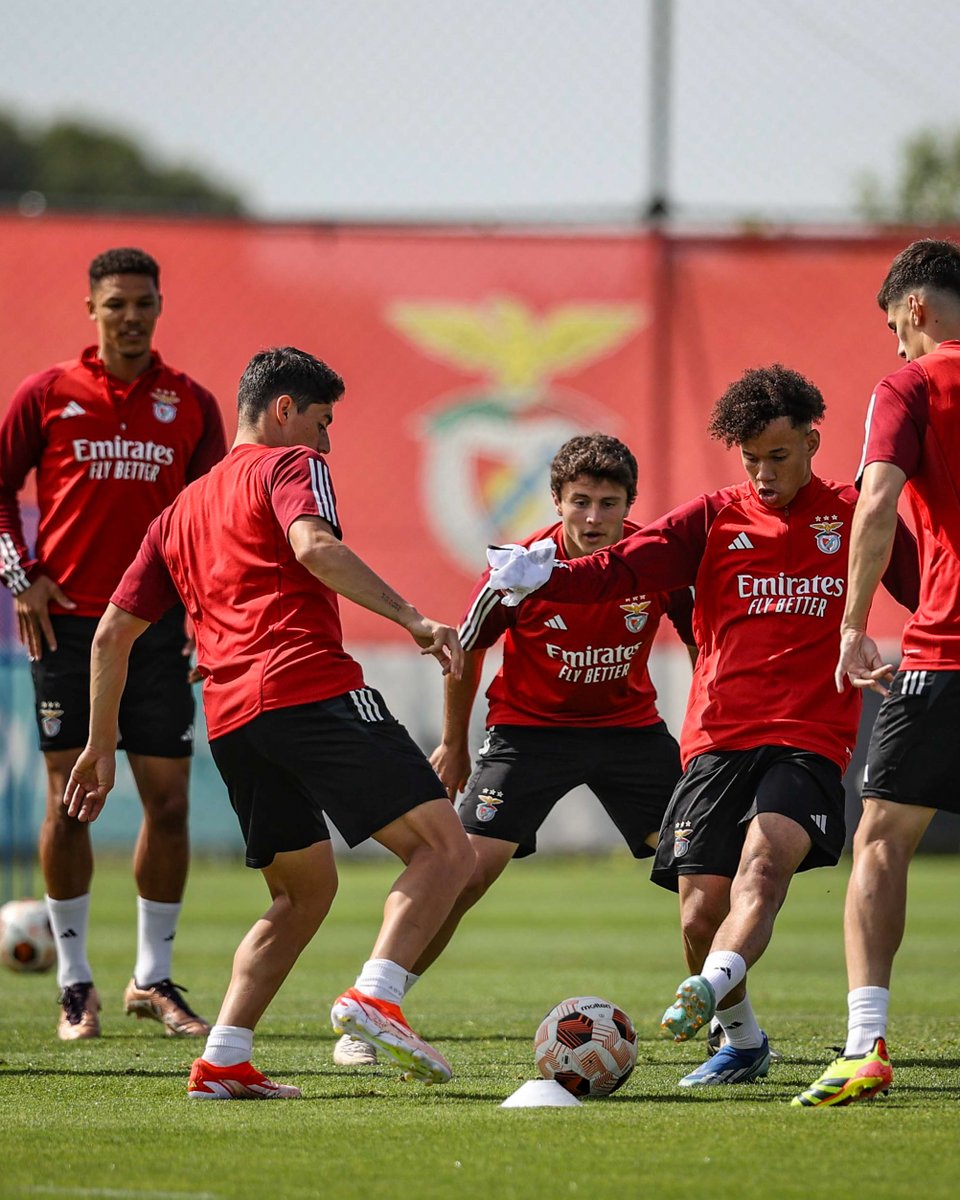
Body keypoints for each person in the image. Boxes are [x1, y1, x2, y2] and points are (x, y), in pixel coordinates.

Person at [487, 364, 919, 1088]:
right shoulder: (714, 516)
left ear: (813, 441)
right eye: (750, 459)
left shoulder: (854, 512)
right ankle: (743, 1039)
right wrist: (544, 576)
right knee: (698, 914)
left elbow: (930, 583)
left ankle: (707, 988)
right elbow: (621, 567)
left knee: (765, 863)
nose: (763, 473)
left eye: (778, 457)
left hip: (809, 735)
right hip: (718, 736)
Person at [64, 345, 475, 1100]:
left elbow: (110, 635)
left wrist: (98, 745)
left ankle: (222, 1056)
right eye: (321, 423)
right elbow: (313, 546)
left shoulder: (178, 511)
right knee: (447, 850)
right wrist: (415, 620)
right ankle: (377, 996)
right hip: (305, 687)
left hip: (231, 721)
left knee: (301, 894)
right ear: (284, 411)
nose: (326, 444)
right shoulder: (289, 467)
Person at [332, 432, 696, 1067]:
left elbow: (705, 640)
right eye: (579, 501)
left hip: (630, 732)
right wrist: (454, 744)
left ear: (629, 504)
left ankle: (729, 1025)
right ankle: (377, 1007)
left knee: (703, 870)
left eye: (609, 503)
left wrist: (705, 728)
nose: (593, 518)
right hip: (528, 733)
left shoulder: (654, 560)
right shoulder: (519, 568)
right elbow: (466, 648)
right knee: (464, 873)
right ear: (555, 501)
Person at [0, 247, 226, 1041]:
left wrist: (206, 614)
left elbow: (210, 526)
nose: (130, 316)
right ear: (90, 309)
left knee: (167, 802)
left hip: (157, 628)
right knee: (73, 798)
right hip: (67, 625)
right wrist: (18, 573)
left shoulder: (192, 404)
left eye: (143, 303)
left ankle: (153, 977)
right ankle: (74, 984)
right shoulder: (48, 394)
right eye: (116, 303)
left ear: (159, 306)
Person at [793, 239, 960, 1107]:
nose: (897, 345)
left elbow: (877, 498)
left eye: (899, 326)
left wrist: (855, 626)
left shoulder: (913, 384)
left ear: (919, 310)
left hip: (944, 653)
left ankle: (865, 1043)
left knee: (883, 839)